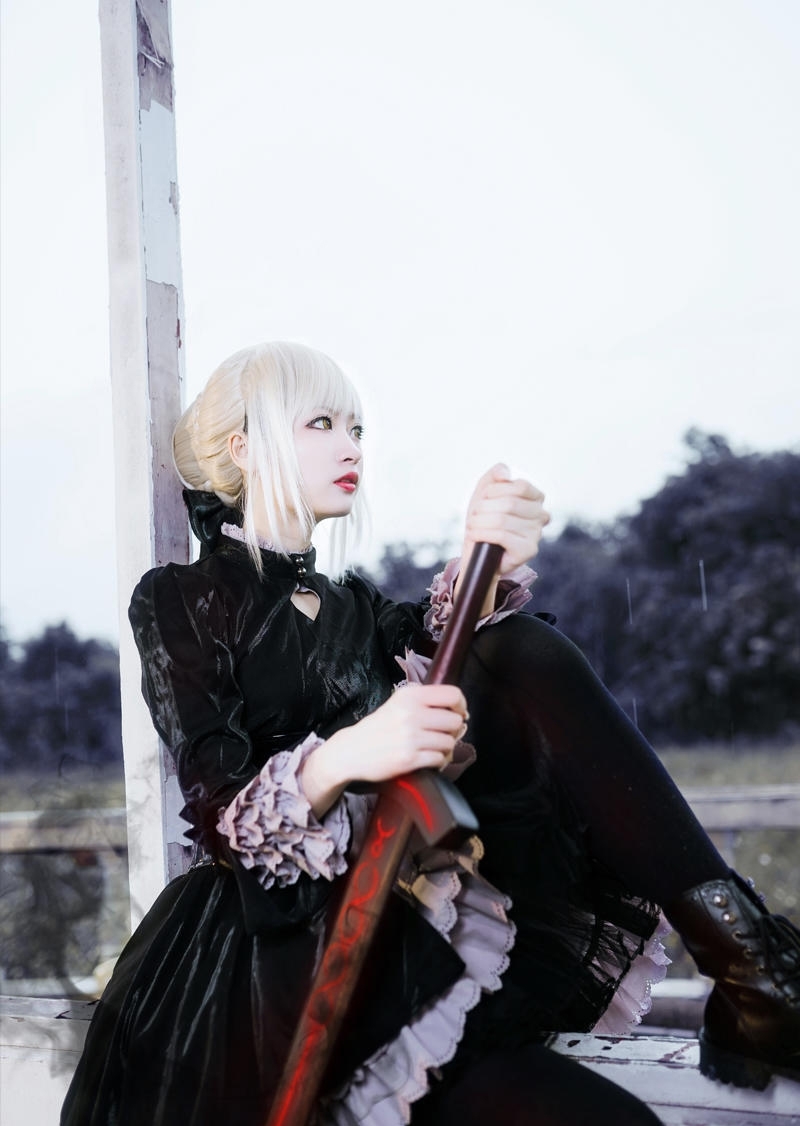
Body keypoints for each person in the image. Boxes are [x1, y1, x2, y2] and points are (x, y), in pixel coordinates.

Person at [62, 341, 799, 1126]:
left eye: (357, 428)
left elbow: (455, 655)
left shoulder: (357, 607)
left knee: (517, 648)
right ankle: (756, 980)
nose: (353, 447)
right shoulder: (179, 599)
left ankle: (752, 971)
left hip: (405, 919)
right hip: (270, 955)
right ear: (245, 447)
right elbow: (219, 809)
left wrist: (487, 555)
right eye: (322, 424)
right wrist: (348, 753)